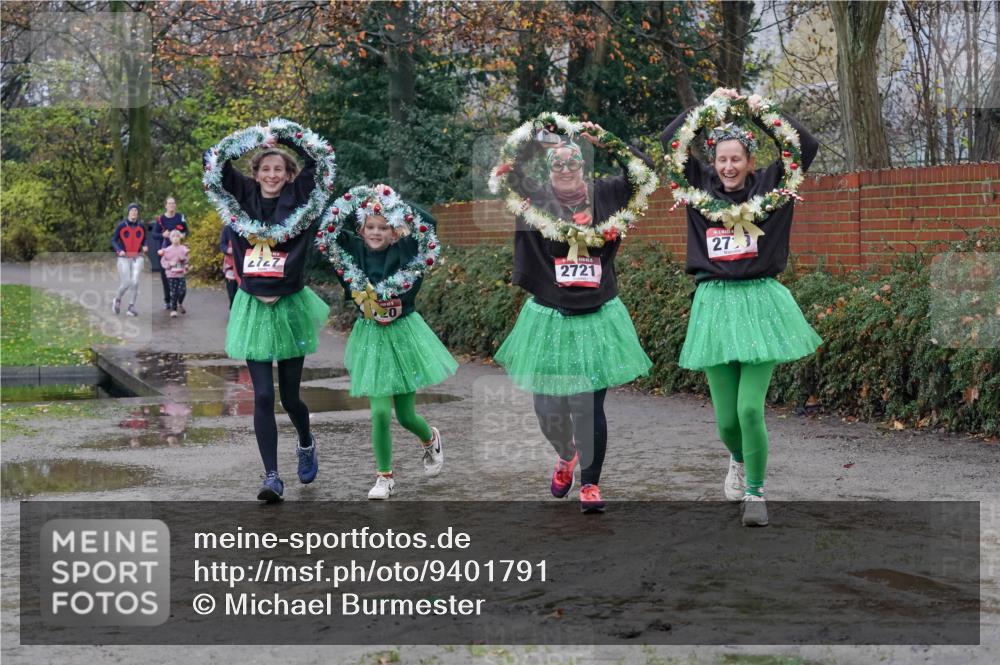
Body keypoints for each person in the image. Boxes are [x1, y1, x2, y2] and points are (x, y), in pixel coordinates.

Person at [660, 89, 821, 526]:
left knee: (751, 409)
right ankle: (736, 458)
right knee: (726, 423)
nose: (728, 167)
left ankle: (756, 492)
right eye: (721, 160)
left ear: (750, 161)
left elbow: (804, 145)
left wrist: (759, 109)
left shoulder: (775, 187)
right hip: (713, 306)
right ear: (713, 163)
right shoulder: (696, 190)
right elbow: (670, 140)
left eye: (737, 159)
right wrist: (708, 106)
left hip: (761, 305)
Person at [494, 122, 653, 513]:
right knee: (548, 410)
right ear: (549, 172)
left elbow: (644, 171)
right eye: (558, 166)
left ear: (583, 167)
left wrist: (609, 140)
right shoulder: (537, 199)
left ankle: (591, 485)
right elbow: (504, 171)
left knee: (589, 406)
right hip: (549, 316)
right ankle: (566, 455)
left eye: (573, 164)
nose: (566, 171)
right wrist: (533, 133)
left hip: (596, 317)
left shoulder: (606, 196)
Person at [210, 133, 330, 503]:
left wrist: (287, 134)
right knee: (262, 395)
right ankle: (272, 476)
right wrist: (252, 138)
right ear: (256, 173)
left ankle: (306, 441)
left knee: (291, 396)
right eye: (266, 168)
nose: (273, 174)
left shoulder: (299, 200)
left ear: (289, 174)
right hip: (252, 304)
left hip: (290, 305)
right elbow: (213, 163)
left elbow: (322, 160)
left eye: (280, 169)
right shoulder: (243, 198)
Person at [327, 190, 457, 500]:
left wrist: (390, 198)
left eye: (383, 227)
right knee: (381, 413)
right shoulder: (353, 251)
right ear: (361, 230)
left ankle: (430, 439)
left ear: (394, 230)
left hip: (404, 334)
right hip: (371, 336)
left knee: (406, 415)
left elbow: (429, 222)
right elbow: (326, 228)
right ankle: (384, 477)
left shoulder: (407, 249)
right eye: (370, 226)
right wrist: (357, 196)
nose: (376, 232)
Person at [150, 197, 187, 312]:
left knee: (178, 275)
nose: (171, 205)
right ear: (166, 206)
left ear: (175, 205)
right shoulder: (160, 219)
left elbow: (186, 231)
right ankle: (168, 301)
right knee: (166, 277)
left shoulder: (180, 217)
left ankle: (177, 300)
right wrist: (163, 235)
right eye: (169, 203)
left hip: (178, 253)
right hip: (165, 253)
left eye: (173, 203)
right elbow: (153, 235)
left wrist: (183, 235)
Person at [111, 202, 148, 317]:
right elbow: (113, 240)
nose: (134, 213)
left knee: (135, 282)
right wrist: (119, 250)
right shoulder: (122, 225)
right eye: (132, 211)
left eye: (136, 211)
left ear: (138, 213)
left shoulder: (140, 225)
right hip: (123, 258)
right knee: (126, 282)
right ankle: (117, 300)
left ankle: (131, 307)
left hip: (137, 257)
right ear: (128, 212)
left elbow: (144, 238)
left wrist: (145, 245)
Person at [159, 229, 189, 318]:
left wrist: (183, 259)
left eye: (177, 236)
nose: (175, 238)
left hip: (181, 273)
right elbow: (163, 261)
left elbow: (187, 259)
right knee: (173, 291)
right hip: (171, 274)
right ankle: (174, 310)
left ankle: (180, 302)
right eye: (173, 236)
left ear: (180, 238)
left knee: (182, 290)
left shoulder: (183, 249)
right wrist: (169, 264)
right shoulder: (167, 250)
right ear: (170, 239)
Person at [219, 226, 239, 308]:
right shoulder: (227, 229)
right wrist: (227, 250)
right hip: (230, 265)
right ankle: (232, 308)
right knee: (232, 292)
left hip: (243, 265)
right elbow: (222, 244)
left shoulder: (246, 228)